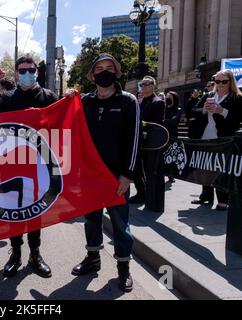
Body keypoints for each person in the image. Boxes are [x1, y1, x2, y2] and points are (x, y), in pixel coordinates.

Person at [0, 54, 58, 279]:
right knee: (13, 210)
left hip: (39, 164)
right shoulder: (6, 98)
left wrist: (71, 100)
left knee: (35, 211)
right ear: (15, 74)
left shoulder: (48, 96)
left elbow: (62, 123)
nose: (26, 74)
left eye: (30, 70)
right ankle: (16, 253)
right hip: (11, 163)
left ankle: (35, 253)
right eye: (21, 71)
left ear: (37, 72)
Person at [68, 53, 139, 292]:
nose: (105, 72)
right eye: (100, 68)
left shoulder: (129, 101)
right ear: (92, 75)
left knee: (121, 225)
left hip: (116, 177)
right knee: (91, 220)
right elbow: (67, 127)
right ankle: (93, 258)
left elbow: (134, 140)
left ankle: (123, 268)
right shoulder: (84, 102)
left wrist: (128, 174)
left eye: (110, 67)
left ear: (117, 72)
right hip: (89, 176)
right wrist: (67, 100)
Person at [190, 70, 242, 211]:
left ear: (230, 82)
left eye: (224, 81)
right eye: (217, 81)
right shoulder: (209, 95)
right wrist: (204, 110)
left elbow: (237, 119)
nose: (220, 84)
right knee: (205, 167)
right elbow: (193, 111)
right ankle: (206, 196)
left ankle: (223, 200)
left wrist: (222, 111)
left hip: (224, 139)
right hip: (206, 136)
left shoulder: (236, 97)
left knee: (220, 169)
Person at [129, 76, 165, 206]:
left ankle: (147, 195)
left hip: (150, 142)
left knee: (148, 169)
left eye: (146, 84)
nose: (142, 87)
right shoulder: (140, 101)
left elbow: (158, 123)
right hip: (139, 140)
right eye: (141, 85)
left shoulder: (158, 101)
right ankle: (140, 193)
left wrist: (143, 123)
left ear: (153, 86)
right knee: (137, 169)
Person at [164, 91, 183, 183]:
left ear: (174, 99)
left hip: (172, 135)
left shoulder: (178, 110)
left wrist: (163, 120)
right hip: (162, 134)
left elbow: (174, 121)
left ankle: (171, 174)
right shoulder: (163, 108)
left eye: (169, 96)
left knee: (171, 155)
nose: (167, 97)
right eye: (166, 96)